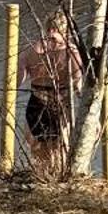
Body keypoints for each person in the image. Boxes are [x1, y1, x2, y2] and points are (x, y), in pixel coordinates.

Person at [19, 9, 85, 179]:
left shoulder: (31, 49)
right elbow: (78, 87)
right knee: (59, 157)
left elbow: (17, 81)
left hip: (36, 103)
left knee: (38, 156)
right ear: (66, 29)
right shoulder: (72, 52)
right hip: (60, 104)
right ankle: (56, 190)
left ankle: (40, 185)